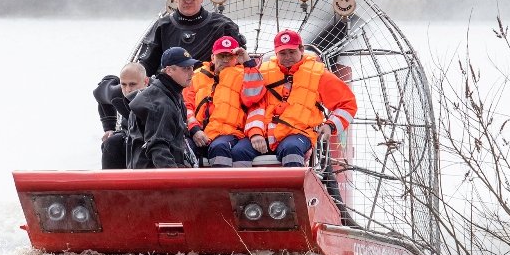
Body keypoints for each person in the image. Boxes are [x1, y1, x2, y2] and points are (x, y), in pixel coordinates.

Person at [239, 29, 358, 168]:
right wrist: (255, 133)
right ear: (276, 53)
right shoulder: (262, 72)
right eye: (283, 53)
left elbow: (347, 104)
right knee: (238, 151)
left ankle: (291, 189)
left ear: (301, 49)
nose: (287, 57)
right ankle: (232, 189)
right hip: (264, 135)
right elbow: (253, 105)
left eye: (292, 52)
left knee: (291, 149)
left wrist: (330, 125)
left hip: (298, 135)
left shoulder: (320, 74)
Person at [137, 0, 246, 76]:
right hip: (170, 91)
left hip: (207, 89)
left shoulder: (222, 25)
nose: (188, 1)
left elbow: (239, 61)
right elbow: (146, 65)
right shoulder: (162, 26)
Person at [184, 36, 264, 167]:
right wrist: (195, 130)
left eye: (230, 56)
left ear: (236, 59)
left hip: (230, 133)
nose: (226, 60)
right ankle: (188, 186)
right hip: (199, 133)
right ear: (213, 57)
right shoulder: (196, 76)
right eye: (221, 56)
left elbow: (253, 98)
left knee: (219, 147)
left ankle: (221, 187)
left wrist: (248, 62)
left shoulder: (245, 75)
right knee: (182, 147)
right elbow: (186, 106)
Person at [126, 47, 199, 169]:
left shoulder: (169, 93)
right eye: (185, 68)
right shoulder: (161, 104)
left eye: (192, 68)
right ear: (169, 70)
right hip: (150, 178)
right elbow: (158, 149)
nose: (192, 73)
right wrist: (175, 183)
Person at [92, 62, 149, 169]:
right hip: (128, 134)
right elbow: (99, 91)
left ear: (146, 82)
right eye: (124, 84)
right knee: (111, 143)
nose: (128, 90)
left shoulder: (159, 95)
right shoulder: (117, 93)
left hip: (153, 138)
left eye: (133, 84)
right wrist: (108, 127)